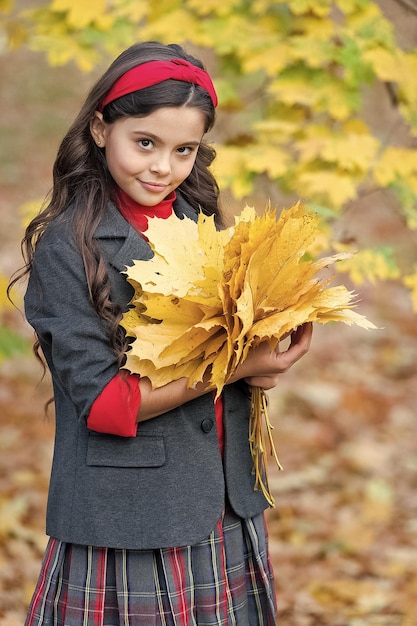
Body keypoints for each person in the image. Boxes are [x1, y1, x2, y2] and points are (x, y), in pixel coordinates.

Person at [15, 41, 312, 626]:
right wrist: (237, 366)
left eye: (184, 150)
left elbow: (221, 338)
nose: (161, 167)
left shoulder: (197, 220)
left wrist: (269, 338)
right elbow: (104, 404)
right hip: (131, 517)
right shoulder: (68, 247)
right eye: (144, 143)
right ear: (101, 128)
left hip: (220, 501)